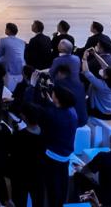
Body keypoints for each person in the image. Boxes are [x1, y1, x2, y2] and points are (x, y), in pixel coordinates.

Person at [26, 75, 78, 207]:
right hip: (65, 154)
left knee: (52, 187)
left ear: (57, 99)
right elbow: (55, 110)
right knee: (61, 184)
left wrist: (32, 87)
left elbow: (32, 109)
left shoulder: (52, 115)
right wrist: (50, 102)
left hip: (52, 155)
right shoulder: (72, 111)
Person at [9, 103, 46, 207]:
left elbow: (14, 156)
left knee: (20, 201)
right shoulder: (45, 133)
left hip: (22, 175)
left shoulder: (19, 136)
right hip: (39, 174)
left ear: (24, 117)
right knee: (38, 201)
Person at [0, 23, 25, 91]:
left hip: (10, 68)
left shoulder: (3, 40)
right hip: (21, 66)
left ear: (8, 30)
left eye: (6, 29)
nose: (5, 30)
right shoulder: (22, 42)